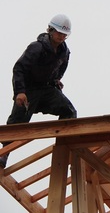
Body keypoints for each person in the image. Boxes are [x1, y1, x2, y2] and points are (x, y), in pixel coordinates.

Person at [0, 14, 77, 169]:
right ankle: (3, 155)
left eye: (64, 34)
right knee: (16, 125)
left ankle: (65, 149)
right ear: (50, 30)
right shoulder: (37, 47)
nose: (61, 37)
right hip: (29, 90)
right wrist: (19, 92)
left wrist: (56, 80)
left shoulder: (64, 52)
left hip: (47, 90)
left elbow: (60, 69)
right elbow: (19, 69)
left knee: (69, 111)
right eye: (59, 33)